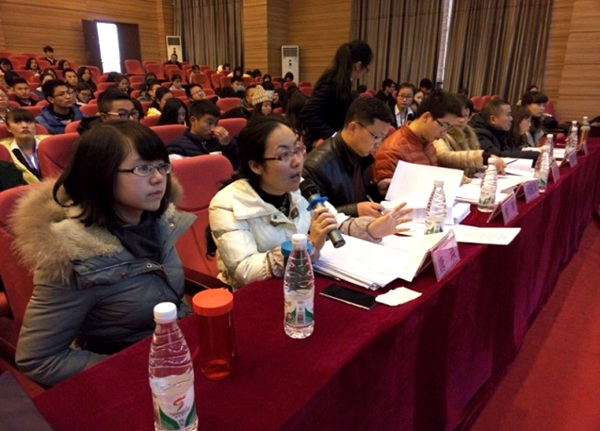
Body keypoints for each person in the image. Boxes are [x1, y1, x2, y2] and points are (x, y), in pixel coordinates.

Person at [12, 120, 194, 386]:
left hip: (177, 349)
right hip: (132, 373)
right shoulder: (74, 254)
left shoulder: (159, 221)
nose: (158, 178)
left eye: (161, 166)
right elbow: (39, 360)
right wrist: (132, 369)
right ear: (100, 175)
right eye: (143, 168)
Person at [209, 116, 411, 289]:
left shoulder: (301, 187)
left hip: (299, 284)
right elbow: (244, 271)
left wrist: (371, 228)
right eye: (284, 155)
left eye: (297, 150)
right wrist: (307, 245)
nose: (297, 161)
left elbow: (335, 221)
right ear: (256, 166)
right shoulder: (227, 203)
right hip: (256, 297)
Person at [301, 96, 393, 217]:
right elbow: (314, 215)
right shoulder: (316, 167)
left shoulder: (361, 153)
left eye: (383, 138)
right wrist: (355, 210)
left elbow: (357, 195)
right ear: (353, 128)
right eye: (376, 137)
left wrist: (376, 190)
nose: (379, 144)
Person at [373, 89, 463, 189]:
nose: (444, 133)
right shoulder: (392, 151)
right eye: (444, 125)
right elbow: (390, 194)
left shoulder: (427, 140)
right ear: (426, 117)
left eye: (449, 128)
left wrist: (452, 178)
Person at [299, 40, 373, 148]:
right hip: (322, 143)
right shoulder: (331, 84)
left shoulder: (343, 82)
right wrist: (333, 135)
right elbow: (307, 113)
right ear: (358, 65)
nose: (366, 73)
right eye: (366, 69)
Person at [433, 96, 506, 178]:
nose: (461, 120)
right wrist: (484, 157)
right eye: (458, 115)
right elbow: (444, 156)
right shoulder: (441, 132)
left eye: (466, 116)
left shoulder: (470, 134)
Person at [167, 99, 238, 168]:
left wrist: (227, 146)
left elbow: (234, 167)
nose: (213, 128)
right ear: (193, 121)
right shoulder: (177, 147)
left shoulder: (219, 142)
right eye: (209, 123)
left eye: (216, 124)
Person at [469, 99, 538, 161]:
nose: (511, 118)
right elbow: (496, 156)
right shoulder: (479, 133)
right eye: (508, 115)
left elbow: (510, 151)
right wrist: (533, 155)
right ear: (493, 119)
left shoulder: (499, 129)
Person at [1, 109, 44, 183]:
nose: (25, 126)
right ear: (8, 128)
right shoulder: (3, 150)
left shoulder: (50, 143)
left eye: (29, 122)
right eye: (18, 122)